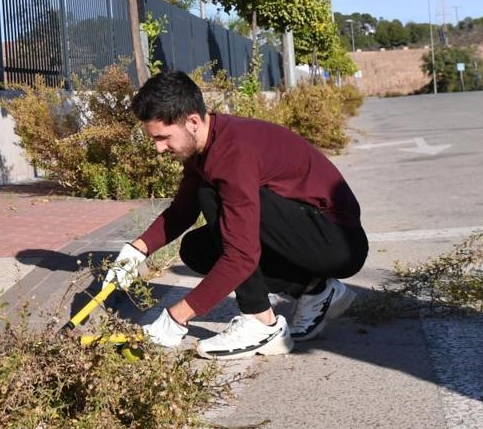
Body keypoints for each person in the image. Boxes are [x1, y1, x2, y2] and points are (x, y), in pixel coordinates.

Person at [106, 70, 368, 360]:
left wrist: (177, 317)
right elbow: (182, 211)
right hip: (309, 233)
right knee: (197, 249)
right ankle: (315, 288)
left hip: (336, 241)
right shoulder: (207, 145)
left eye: (163, 137)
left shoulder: (233, 153)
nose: (158, 148)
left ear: (192, 121)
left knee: (213, 197)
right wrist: (136, 251)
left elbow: (241, 255)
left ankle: (260, 323)